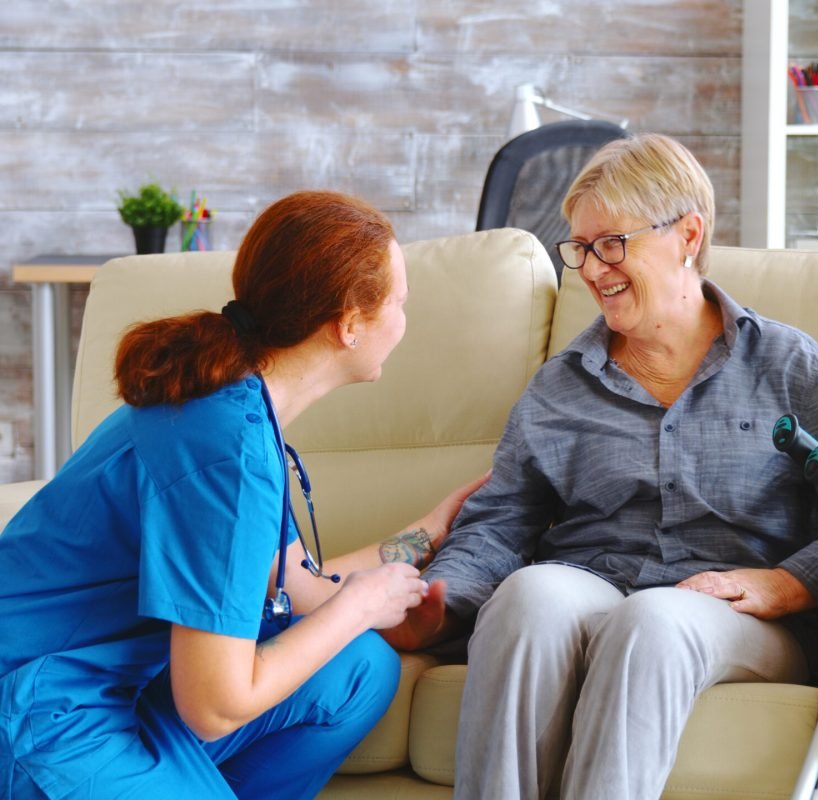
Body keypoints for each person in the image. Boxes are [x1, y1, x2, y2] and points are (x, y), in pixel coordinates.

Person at [382, 134, 818, 799]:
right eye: (580, 248)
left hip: (741, 618)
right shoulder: (560, 387)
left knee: (653, 620)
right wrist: (443, 603)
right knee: (527, 597)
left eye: (612, 244)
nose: (592, 269)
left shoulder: (787, 367)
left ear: (687, 235)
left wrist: (788, 583)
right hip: (594, 581)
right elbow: (500, 522)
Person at [0, 190, 484, 799]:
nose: (403, 320)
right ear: (348, 324)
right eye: (399, 302)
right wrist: (360, 607)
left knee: (361, 668)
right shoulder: (228, 453)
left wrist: (429, 532)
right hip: (40, 706)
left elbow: (298, 583)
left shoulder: (233, 405)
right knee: (343, 640)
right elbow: (216, 706)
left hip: (119, 685)